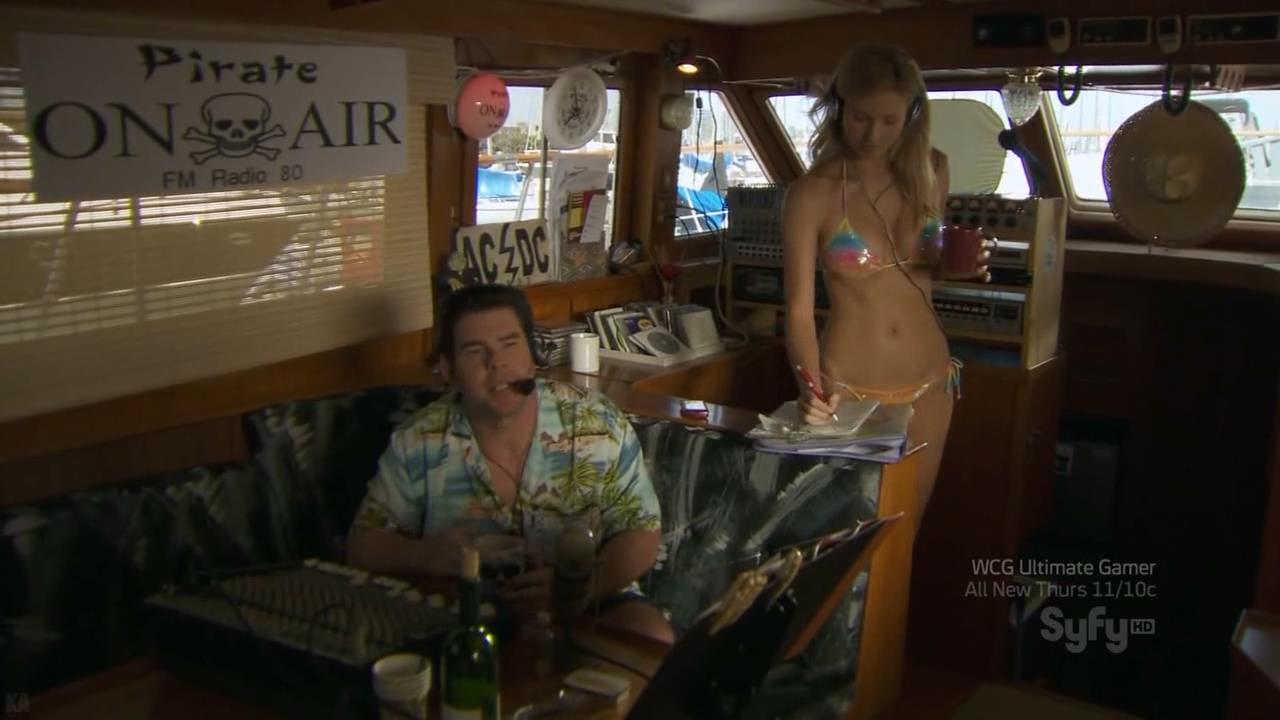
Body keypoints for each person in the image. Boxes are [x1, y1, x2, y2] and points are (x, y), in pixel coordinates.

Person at [346, 284, 673, 643]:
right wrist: (424, 554)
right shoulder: (419, 440)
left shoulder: (596, 423)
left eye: (510, 344)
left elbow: (642, 530)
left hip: (589, 598)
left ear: (532, 356)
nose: (497, 364)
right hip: (462, 611)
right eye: (475, 351)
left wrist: (583, 588)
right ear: (449, 369)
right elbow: (362, 545)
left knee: (651, 635)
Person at [782, 43, 990, 514]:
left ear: (912, 115)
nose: (872, 134)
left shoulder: (933, 170)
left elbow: (924, 269)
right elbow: (797, 313)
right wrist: (810, 389)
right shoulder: (811, 194)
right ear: (838, 107)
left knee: (906, 532)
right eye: (860, 117)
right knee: (851, 535)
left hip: (932, 385)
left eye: (889, 120)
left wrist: (964, 266)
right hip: (850, 392)